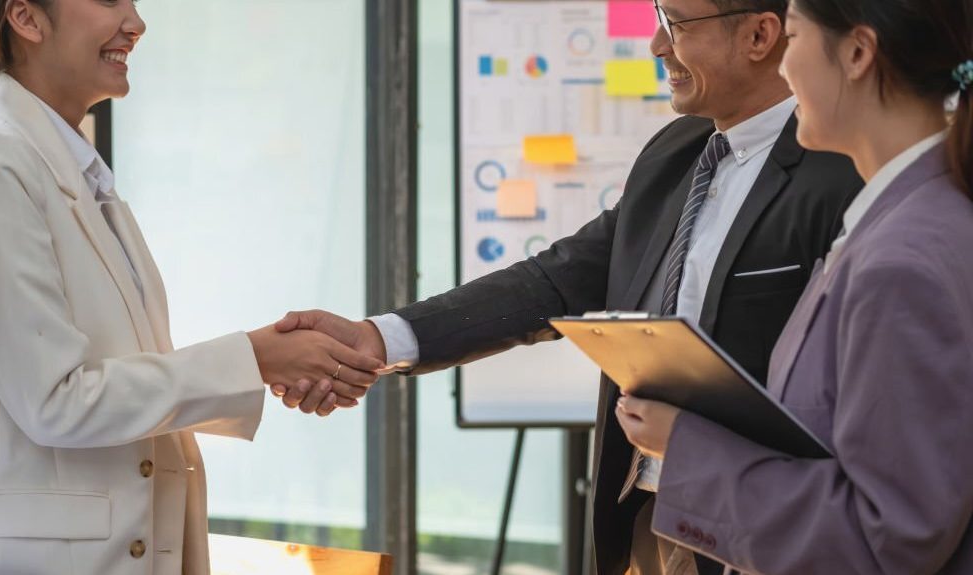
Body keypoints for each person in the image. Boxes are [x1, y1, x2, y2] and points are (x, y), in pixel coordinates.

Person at [276, 0, 863, 572]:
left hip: (763, 532)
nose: (657, 45)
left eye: (678, 25)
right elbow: (557, 279)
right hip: (647, 518)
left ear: (760, 36)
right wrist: (377, 339)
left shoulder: (844, 170)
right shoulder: (674, 152)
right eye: (657, 20)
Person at [0, 1, 382, 573]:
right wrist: (255, 359)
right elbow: (56, 401)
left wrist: (271, 361)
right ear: (26, 19)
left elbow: (124, 378)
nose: (136, 23)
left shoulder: (74, 171)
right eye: (109, 1)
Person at [613, 0, 973, 572]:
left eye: (796, 38)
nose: (782, 68)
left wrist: (687, 451)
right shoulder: (919, 213)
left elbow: (887, 539)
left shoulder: (901, 263)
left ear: (857, 53)